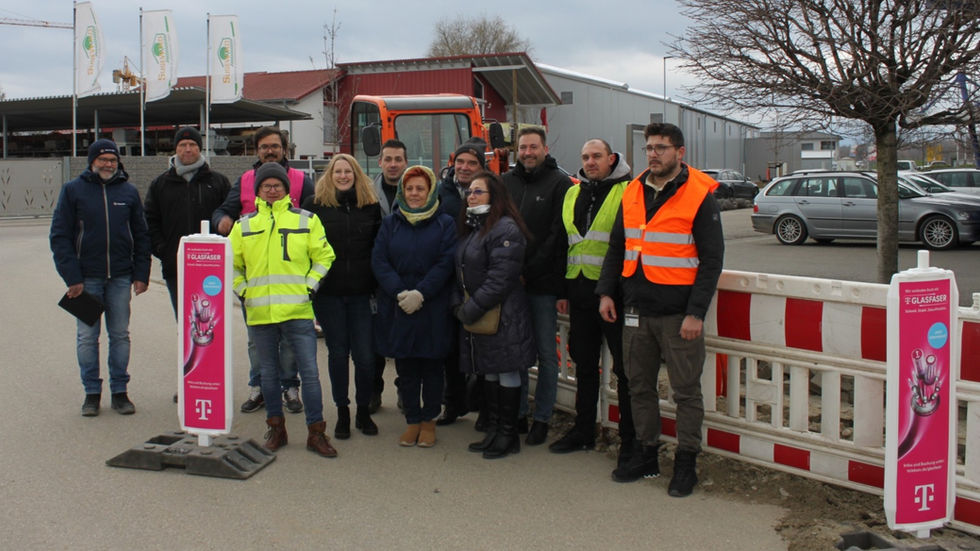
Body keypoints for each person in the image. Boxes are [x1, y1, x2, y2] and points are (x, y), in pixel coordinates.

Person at [597, 123, 724, 497]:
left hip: (677, 314)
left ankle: (686, 462)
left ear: (680, 153)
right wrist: (606, 292)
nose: (653, 154)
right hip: (635, 308)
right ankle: (647, 455)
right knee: (638, 387)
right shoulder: (633, 190)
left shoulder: (700, 195)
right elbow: (617, 246)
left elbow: (711, 260)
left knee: (685, 392)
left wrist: (696, 313)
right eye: (649, 147)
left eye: (661, 148)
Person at [230, 162, 337, 457]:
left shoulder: (307, 220)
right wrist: (244, 291)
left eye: (277, 185)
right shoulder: (244, 225)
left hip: (298, 311)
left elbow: (324, 256)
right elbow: (232, 266)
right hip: (260, 314)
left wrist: (309, 287)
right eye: (267, 186)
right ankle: (277, 429)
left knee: (310, 375)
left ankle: (316, 433)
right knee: (268, 375)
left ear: (287, 190)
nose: (273, 189)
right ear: (259, 191)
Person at [212, 126, 315, 415]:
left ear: (285, 149)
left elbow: (316, 216)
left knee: (289, 342)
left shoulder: (300, 181)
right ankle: (258, 387)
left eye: (274, 146)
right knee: (256, 341)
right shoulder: (245, 180)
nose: (269, 151)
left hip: (291, 280)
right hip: (256, 279)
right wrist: (222, 220)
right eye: (263, 147)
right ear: (256, 151)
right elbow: (223, 210)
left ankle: (289, 388)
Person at [550, 139, 636, 467]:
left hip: (614, 295)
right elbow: (564, 243)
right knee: (584, 365)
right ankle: (583, 430)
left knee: (625, 371)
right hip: (579, 293)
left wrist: (614, 290)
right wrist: (562, 290)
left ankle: (628, 439)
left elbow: (627, 245)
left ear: (612, 159)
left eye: (596, 156)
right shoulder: (573, 192)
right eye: (585, 156)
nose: (590, 162)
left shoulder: (628, 191)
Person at [50, 139, 151, 416]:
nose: (108, 164)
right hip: (86, 278)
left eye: (113, 160)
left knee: (119, 335)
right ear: (92, 161)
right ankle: (91, 393)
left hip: (120, 277)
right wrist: (72, 277)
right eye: (103, 159)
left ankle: (120, 391)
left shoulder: (128, 192)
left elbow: (142, 235)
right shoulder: (73, 191)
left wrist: (141, 274)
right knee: (87, 337)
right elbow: (60, 236)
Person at [372, 165, 456, 448]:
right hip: (399, 307)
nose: (415, 193)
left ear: (431, 190)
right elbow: (380, 261)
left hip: (432, 306)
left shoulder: (445, 223)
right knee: (406, 370)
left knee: (432, 368)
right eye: (409, 189)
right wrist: (400, 293)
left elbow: (446, 262)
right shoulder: (390, 223)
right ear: (402, 192)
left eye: (420, 188)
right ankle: (412, 421)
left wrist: (421, 293)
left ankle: (429, 420)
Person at [453, 171, 535, 460]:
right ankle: (495, 430)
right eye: (469, 192)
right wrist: (461, 305)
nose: (470, 196)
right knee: (490, 370)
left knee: (507, 371)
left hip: (503, 315)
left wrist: (470, 309)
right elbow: (461, 273)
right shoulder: (475, 228)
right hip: (483, 315)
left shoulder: (505, 229)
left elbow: (500, 279)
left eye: (477, 192)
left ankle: (508, 434)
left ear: (495, 196)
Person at [502, 127, 573, 445]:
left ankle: (542, 418)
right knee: (516, 352)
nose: (528, 152)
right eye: (523, 147)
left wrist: (530, 270)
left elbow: (559, 235)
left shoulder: (560, 182)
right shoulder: (507, 182)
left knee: (546, 354)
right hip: (512, 284)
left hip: (543, 284)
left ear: (545, 147)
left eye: (533, 147)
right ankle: (516, 414)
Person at [303, 154, 382, 439]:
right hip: (330, 294)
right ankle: (343, 412)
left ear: (356, 174)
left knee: (365, 357)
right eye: (338, 171)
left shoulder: (370, 206)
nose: (343, 175)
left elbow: (378, 247)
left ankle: (363, 410)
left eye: (348, 171)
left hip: (362, 294)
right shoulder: (315, 206)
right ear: (330, 174)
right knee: (337, 355)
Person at [145, 126, 231, 316]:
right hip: (175, 265)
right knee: (185, 320)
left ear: (200, 149)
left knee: (212, 319)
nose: (188, 149)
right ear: (175, 149)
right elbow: (150, 220)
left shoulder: (218, 182)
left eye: (192, 144)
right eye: (183, 145)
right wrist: (163, 249)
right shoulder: (160, 184)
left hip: (212, 267)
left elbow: (230, 213)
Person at [432, 139, 488, 427]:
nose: (465, 168)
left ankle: (479, 403)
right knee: (451, 349)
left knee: (481, 343)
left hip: (479, 278)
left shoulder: (490, 193)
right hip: (449, 277)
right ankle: (452, 404)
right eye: (461, 162)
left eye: (472, 163)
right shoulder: (441, 192)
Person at [369, 139, 409, 413]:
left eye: (398, 159)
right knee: (374, 343)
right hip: (374, 278)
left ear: (406, 162)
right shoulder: (367, 193)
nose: (393, 164)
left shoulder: (419, 190)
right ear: (380, 162)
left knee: (406, 341)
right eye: (388, 159)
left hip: (407, 278)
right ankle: (373, 392)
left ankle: (405, 391)